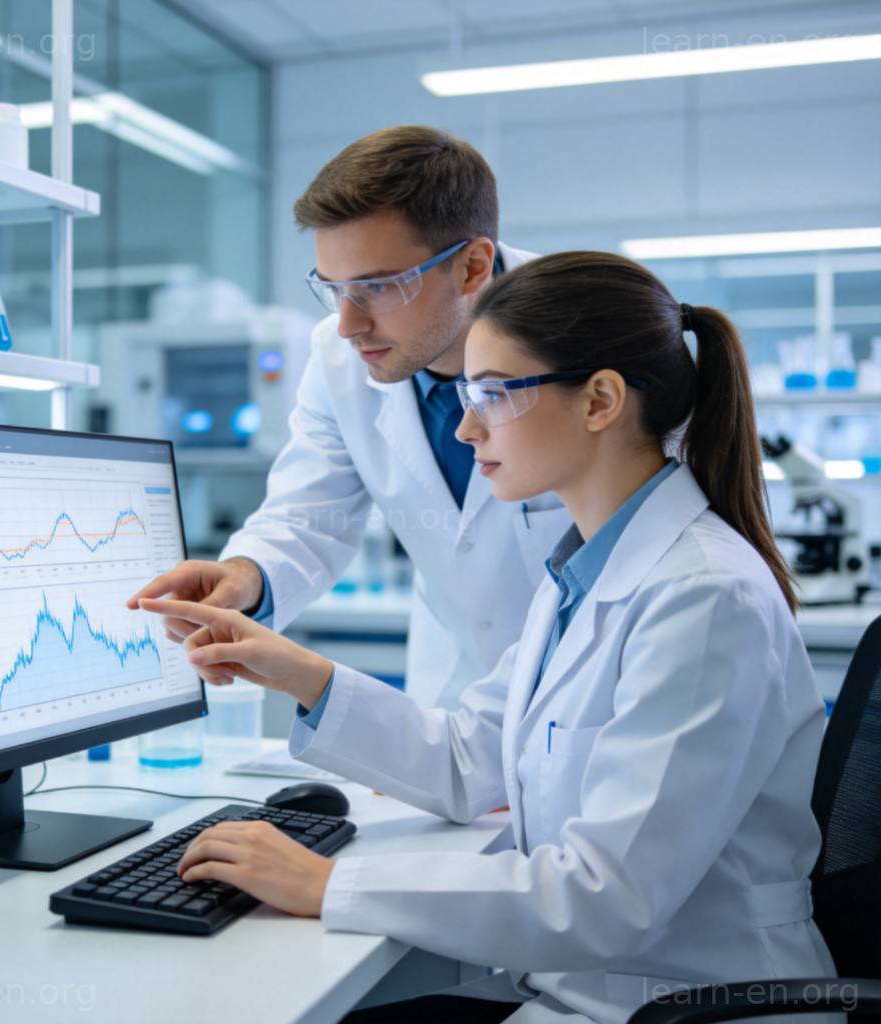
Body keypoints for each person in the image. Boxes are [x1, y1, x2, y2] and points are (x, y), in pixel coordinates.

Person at [138, 252, 836, 1024]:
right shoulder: (587, 568)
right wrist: (304, 676)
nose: (468, 427)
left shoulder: (703, 597)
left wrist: (326, 886)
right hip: (589, 990)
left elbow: (608, 900)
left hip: (682, 1003)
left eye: (494, 395)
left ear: (601, 399)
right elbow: (473, 758)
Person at [129, 126, 571, 709]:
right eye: (333, 288)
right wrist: (245, 573)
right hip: (457, 702)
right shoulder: (339, 359)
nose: (348, 324)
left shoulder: (585, 340)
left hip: (596, 700)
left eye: (379, 287)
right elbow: (310, 516)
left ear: (471, 267)